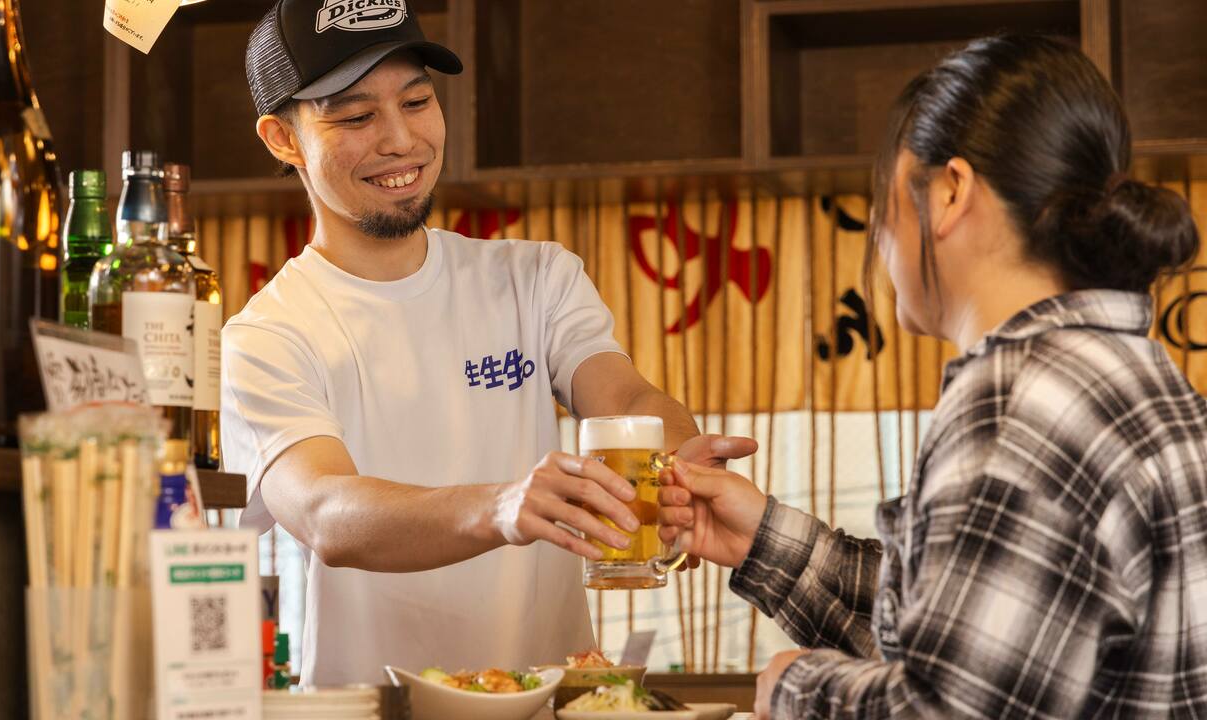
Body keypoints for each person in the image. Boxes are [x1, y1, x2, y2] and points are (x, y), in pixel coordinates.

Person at [659, 35, 1205, 719]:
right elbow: (986, 637)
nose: (880, 235)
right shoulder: (1126, 371)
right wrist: (761, 541)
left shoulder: (1015, 403)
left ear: (949, 192)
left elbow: (951, 707)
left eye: (885, 198)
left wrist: (794, 687)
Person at [224, 0, 751, 686]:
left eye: (417, 101)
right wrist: (502, 508)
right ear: (282, 139)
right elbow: (325, 510)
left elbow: (623, 398)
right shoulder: (268, 335)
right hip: (374, 708)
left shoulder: (535, 278)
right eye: (355, 117)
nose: (401, 140)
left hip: (549, 700)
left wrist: (676, 459)